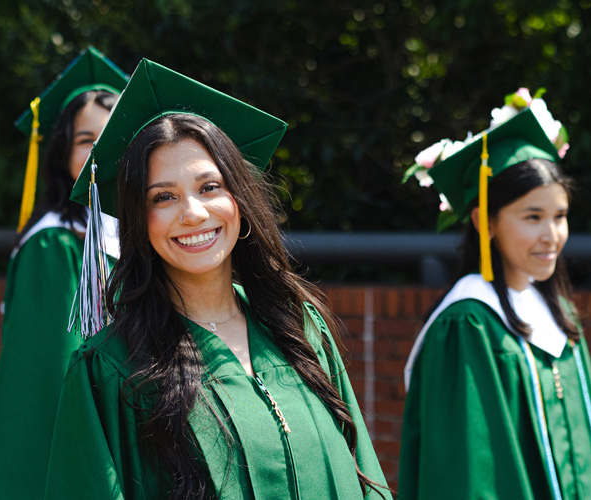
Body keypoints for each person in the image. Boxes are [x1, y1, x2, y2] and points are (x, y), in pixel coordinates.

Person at [44, 59, 392, 500]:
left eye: (209, 187)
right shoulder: (112, 371)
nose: (193, 212)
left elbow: (365, 477)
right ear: (138, 219)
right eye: (163, 197)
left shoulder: (299, 329)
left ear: (239, 199)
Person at [399, 89, 591, 499]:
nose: (551, 235)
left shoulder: (560, 318)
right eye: (532, 217)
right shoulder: (468, 326)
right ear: (485, 221)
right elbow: (468, 475)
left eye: (560, 216)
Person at [0, 47, 128, 500]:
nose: (101, 151)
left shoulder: (139, 237)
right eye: (86, 139)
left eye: (116, 135)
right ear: (62, 152)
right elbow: (47, 383)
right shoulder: (55, 245)